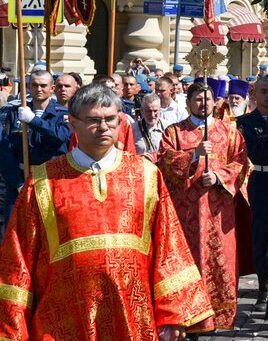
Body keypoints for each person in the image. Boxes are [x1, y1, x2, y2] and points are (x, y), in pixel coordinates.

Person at [0, 84, 214, 339]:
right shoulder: (44, 181)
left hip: (133, 314)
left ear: (120, 122)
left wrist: (173, 312)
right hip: (62, 319)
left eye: (110, 119)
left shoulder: (146, 175)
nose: (104, 127)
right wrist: (13, 323)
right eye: (93, 120)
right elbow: (18, 255)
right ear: (73, 123)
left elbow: (169, 245)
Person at [157, 82, 251, 335]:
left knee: (219, 262)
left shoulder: (230, 131)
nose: (203, 104)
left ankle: (216, 316)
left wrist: (219, 176)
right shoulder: (174, 132)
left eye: (207, 99)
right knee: (187, 262)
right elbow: (164, 162)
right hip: (185, 211)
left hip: (218, 211)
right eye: (198, 99)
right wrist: (194, 155)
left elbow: (241, 163)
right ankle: (188, 316)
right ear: (188, 102)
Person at [235, 76, 268, 322]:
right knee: (261, 236)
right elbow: (254, 151)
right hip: (260, 180)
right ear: (254, 95)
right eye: (264, 91)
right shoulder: (244, 123)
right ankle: (264, 284)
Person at [0, 69, 71, 231]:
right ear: (29, 87)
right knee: (15, 232)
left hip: (52, 180)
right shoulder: (15, 113)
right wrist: (17, 182)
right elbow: (5, 150)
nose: (39, 89)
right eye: (34, 85)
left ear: (52, 88)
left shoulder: (63, 114)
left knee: (49, 232)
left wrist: (34, 120)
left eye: (43, 85)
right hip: (20, 180)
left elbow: (61, 136)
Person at [132, 93, 166, 161]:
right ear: (142, 110)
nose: (152, 115)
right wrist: (139, 158)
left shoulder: (168, 128)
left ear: (160, 109)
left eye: (155, 111)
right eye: (148, 111)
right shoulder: (132, 129)